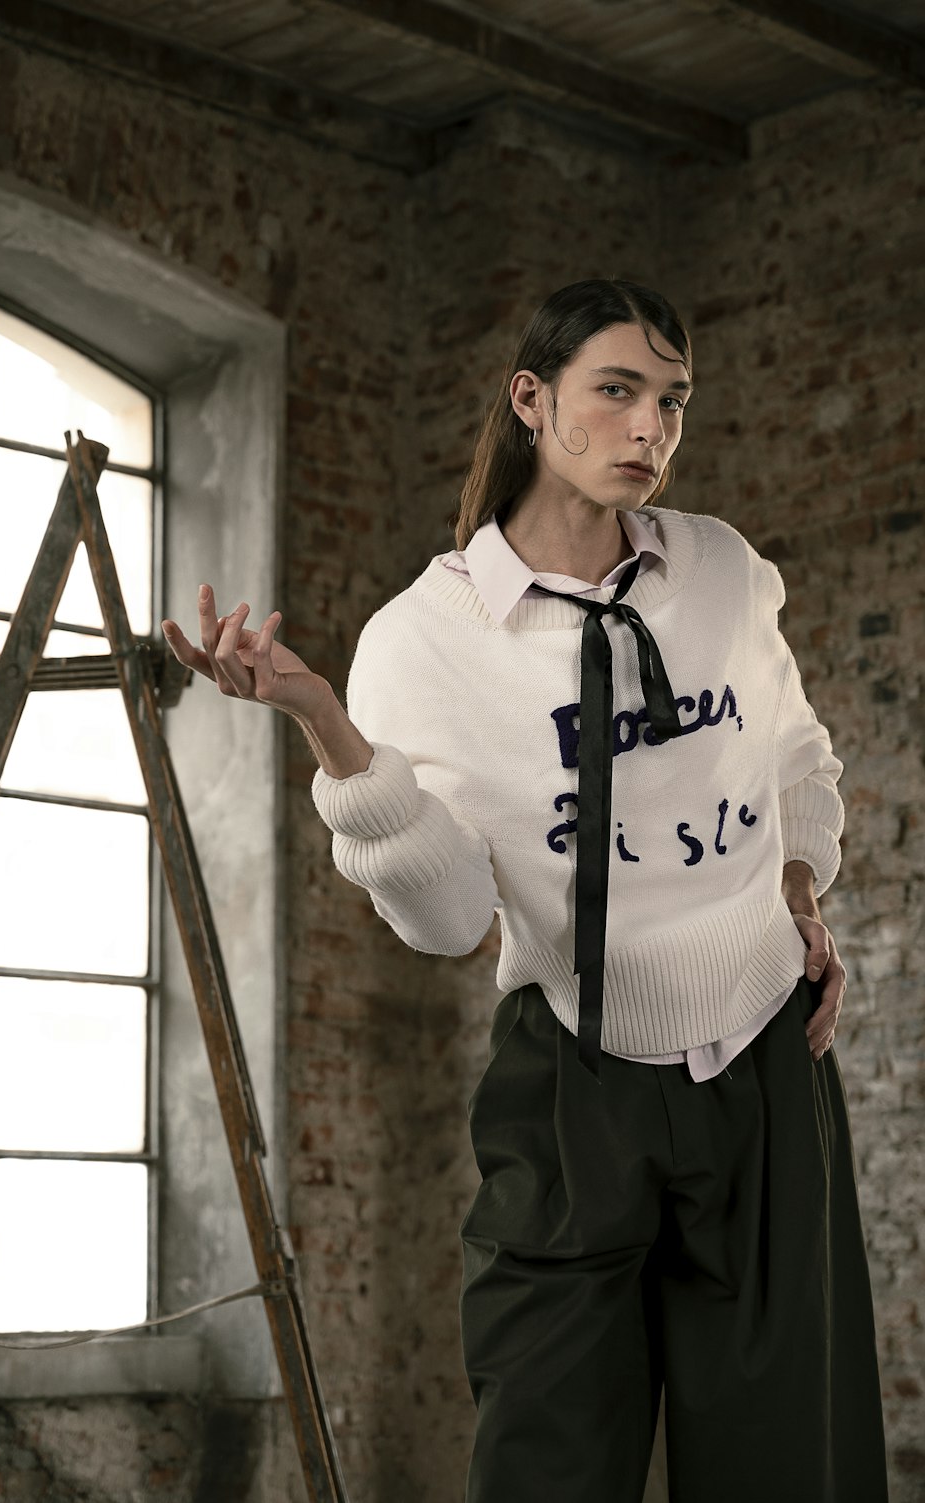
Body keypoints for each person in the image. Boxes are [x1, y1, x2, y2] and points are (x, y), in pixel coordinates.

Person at [161, 279, 889, 1502]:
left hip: (767, 1073)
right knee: (544, 1461)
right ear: (532, 399)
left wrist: (803, 893)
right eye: (615, 392)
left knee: (790, 1464)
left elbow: (797, 758)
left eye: (670, 400)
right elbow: (447, 921)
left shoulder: (721, 571)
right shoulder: (424, 639)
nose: (647, 428)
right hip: (571, 1080)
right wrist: (326, 722)